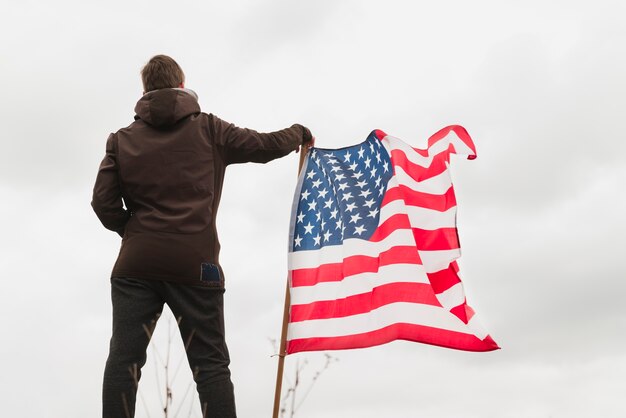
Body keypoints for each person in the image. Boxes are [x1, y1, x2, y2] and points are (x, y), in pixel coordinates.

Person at [92, 54, 313, 418]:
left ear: (145, 90)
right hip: (196, 266)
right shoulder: (210, 129)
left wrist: (134, 231)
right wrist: (298, 134)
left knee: (124, 362)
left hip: (136, 265)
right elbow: (264, 145)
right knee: (210, 367)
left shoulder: (120, 140)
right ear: (182, 86)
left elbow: (102, 202)